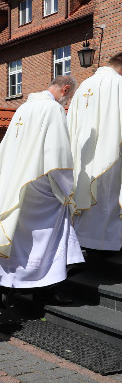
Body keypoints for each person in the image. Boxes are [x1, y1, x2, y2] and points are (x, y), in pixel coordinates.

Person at [0, 76, 84, 304]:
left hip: (16, 182)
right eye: (67, 98)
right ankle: (46, 287)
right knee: (51, 234)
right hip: (40, 184)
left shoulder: (23, 107)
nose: (66, 102)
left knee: (16, 237)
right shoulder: (52, 110)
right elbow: (57, 157)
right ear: (65, 89)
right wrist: (66, 189)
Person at [66, 52, 122, 254]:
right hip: (109, 153)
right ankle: (105, 245)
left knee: (86, 196)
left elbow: (71, 124)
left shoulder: (84, 85)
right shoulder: (118, 84)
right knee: (107, 198)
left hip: (82, 157)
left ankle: (83, 242)